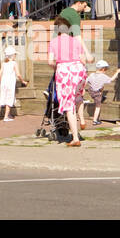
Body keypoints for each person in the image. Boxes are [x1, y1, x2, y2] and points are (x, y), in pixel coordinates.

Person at [48, 9, 93, 147]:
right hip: (79, 71)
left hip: (65, 72)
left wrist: (57, 68)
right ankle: (82, 119)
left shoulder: (54, 42)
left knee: (68, 105)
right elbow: (83, 59)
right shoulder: (75, 41)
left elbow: (50, 61)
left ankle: (75, 137)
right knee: (78, 97)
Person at [82, 59, 120, 127]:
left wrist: (82, 89)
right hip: (97, 93)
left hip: (91, 91)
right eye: (106, 70)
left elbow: (86, 81)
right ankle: (95, 120)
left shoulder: (92, 74)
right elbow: (111, 79)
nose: (105, 71)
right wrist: (117, 72)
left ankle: (101, 97)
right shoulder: (103, 76)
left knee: (101, 87)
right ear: (103, 69)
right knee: (98, 106)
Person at [0, 45, 28, 121]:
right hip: (10, 83)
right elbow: (18, 74)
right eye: (15, 54)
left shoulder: (4, 63)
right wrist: (23, 81)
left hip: (3, 83)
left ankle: (8, 114)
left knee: (5, 97)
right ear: (12, 55)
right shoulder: (14, 63)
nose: (15, 56)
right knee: (9, 98)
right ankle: (6, 117)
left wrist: (1, 81)